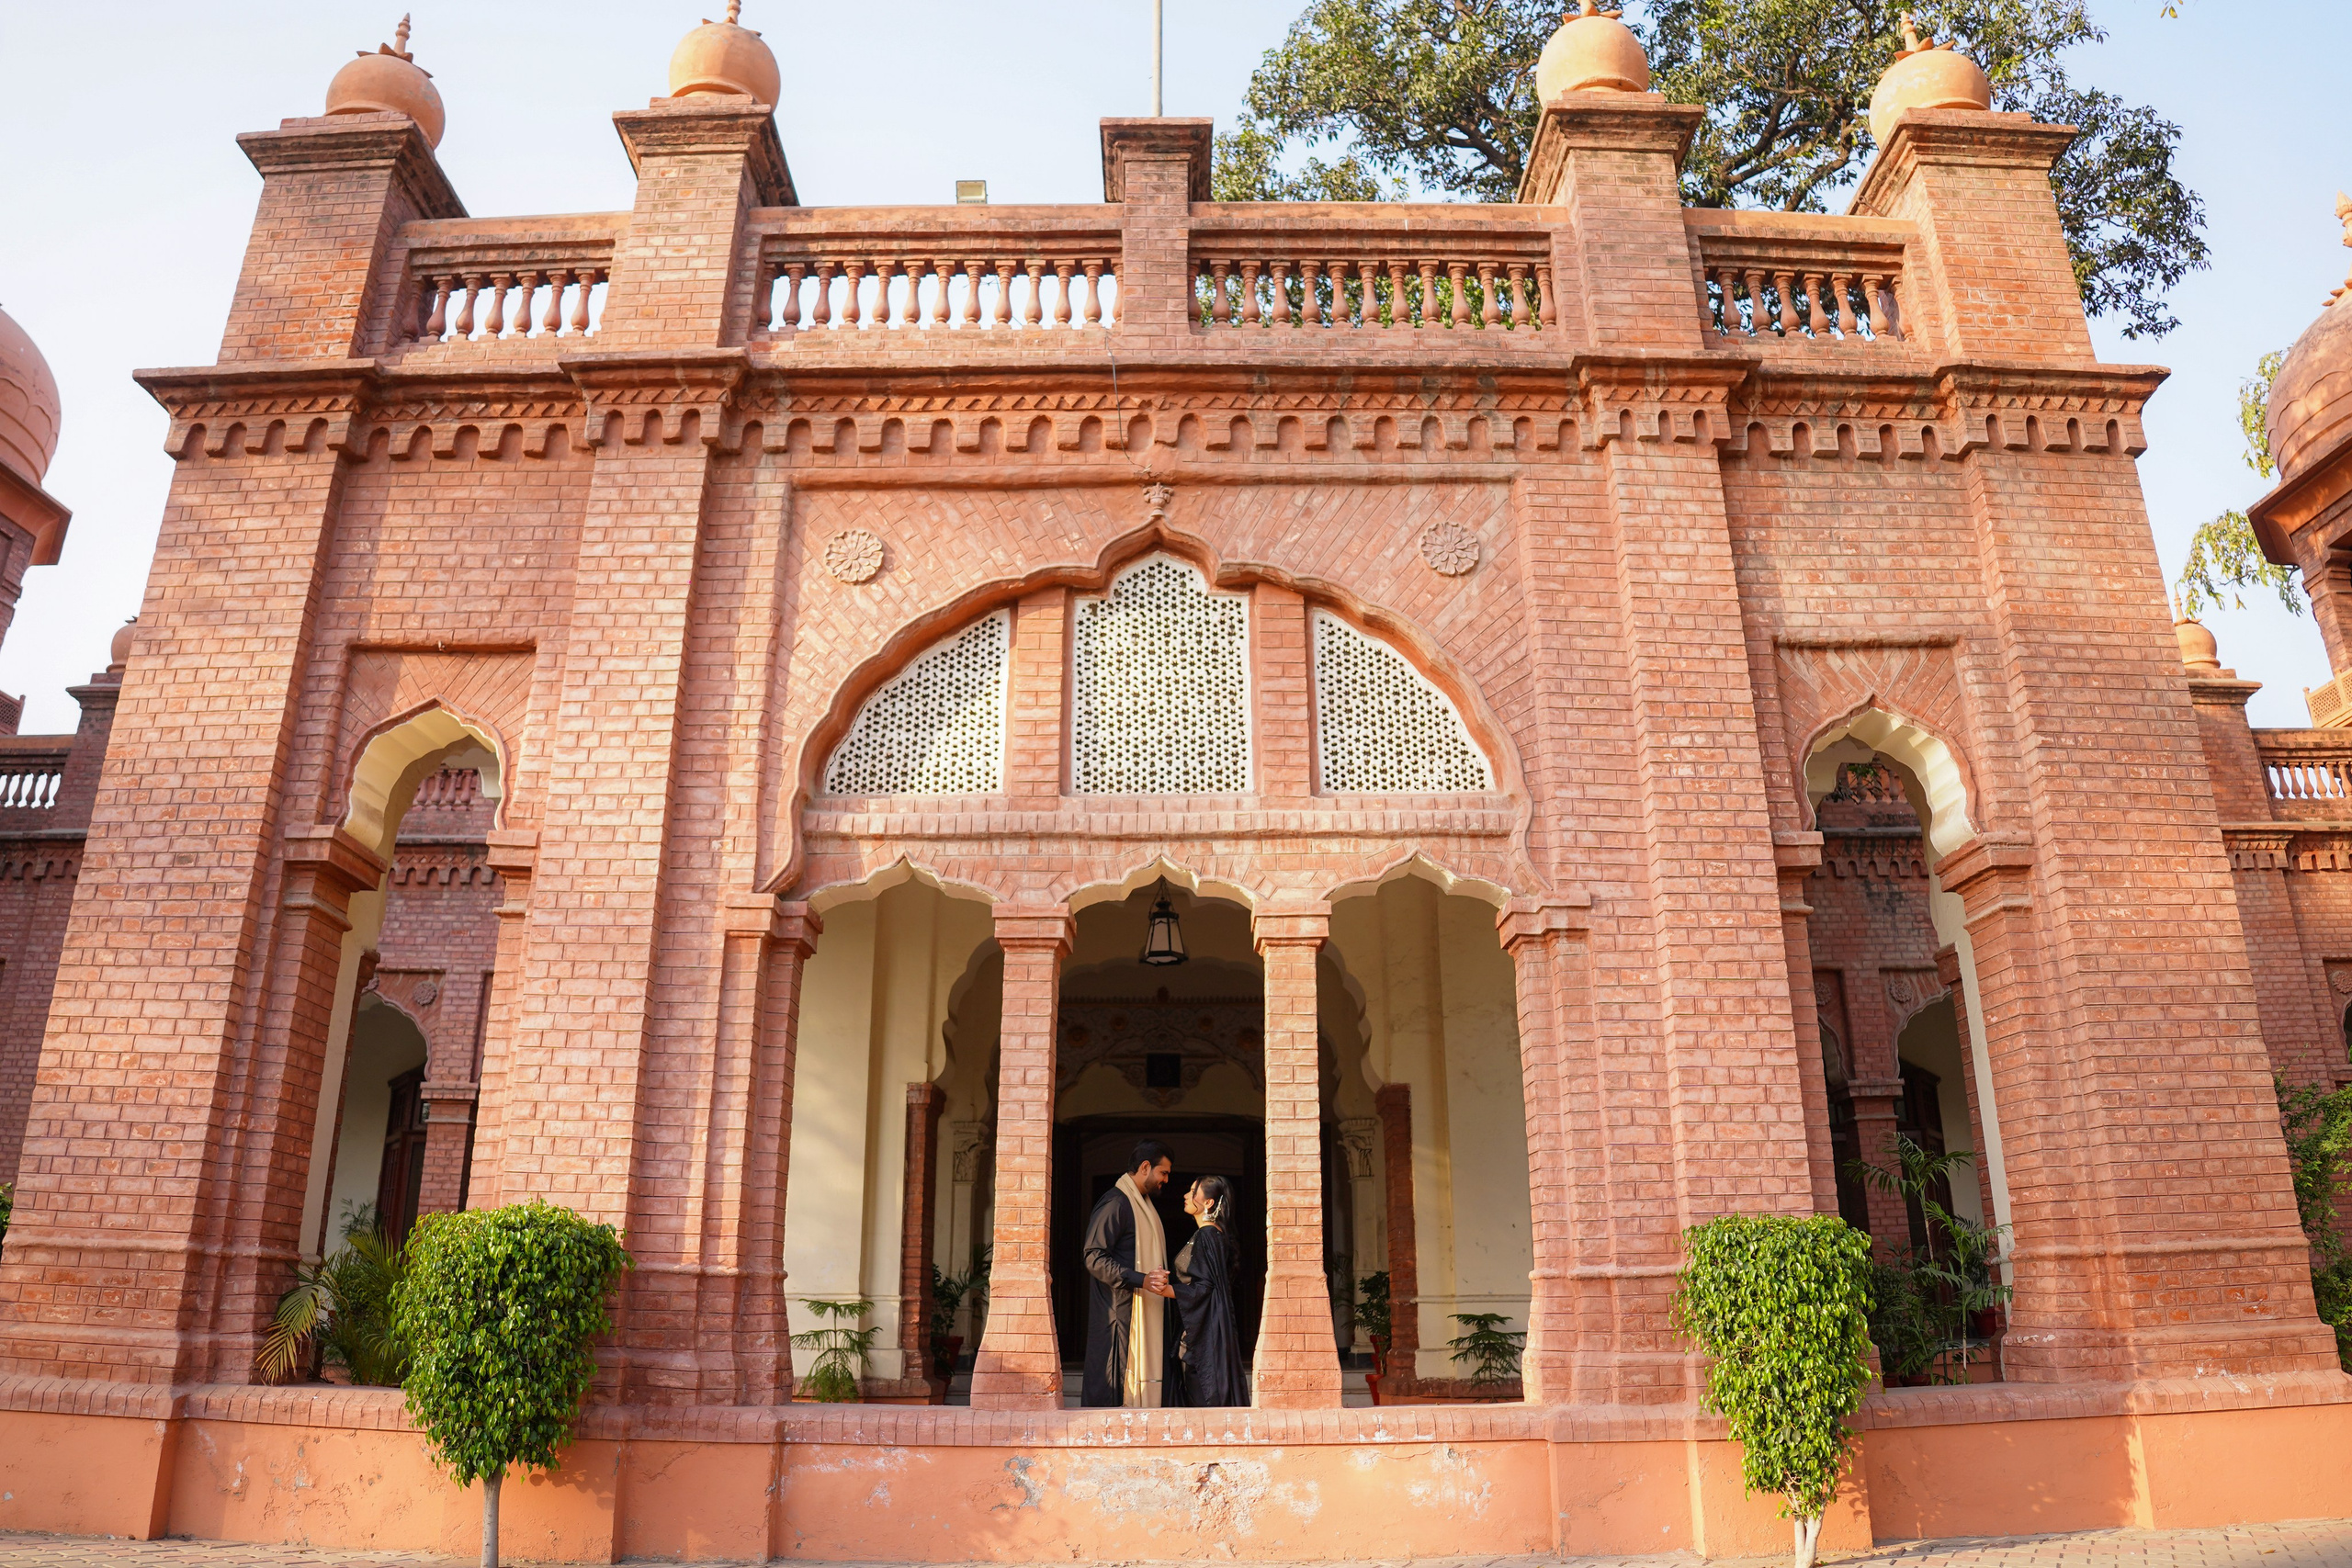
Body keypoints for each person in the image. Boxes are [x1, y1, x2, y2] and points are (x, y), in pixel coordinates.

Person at [1080, 1139, 1176, 1407]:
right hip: (1119, 1317)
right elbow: (1093, 1256)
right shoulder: (1117, 1203)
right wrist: (1141, 1279)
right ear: (1145, 1167)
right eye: (1163, 1172)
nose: (1166, 1180)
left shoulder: (1142, 1205)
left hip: (1135, 1311)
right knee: (1114, 1396)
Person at [1170, 1174, 1248, 1407]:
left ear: (1209, 1202)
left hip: (1203, 1334)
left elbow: (1204, 1289)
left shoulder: (1208, 1235)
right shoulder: (1213, 1234)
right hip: (1206, 1329)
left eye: (1193, 1191)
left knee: (1203, 1403)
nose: (1186, 1195)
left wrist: (1165, 1290)